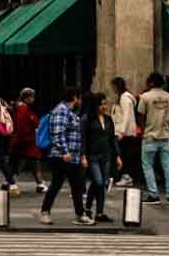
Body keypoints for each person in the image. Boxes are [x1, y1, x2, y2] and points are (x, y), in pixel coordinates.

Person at [37, 87, 92, 226]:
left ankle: (79, 214)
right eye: (78, 98)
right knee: (58, 184)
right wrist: (65, 151)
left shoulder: (68, 111)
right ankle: (45, 212)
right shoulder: (61, 110)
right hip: (62, 156)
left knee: (75, 185)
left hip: (71, 156)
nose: (79, 101)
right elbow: (58, 133)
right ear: (74, 97)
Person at [137, 72, 169, 206]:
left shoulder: (146, 97)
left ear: (151, 82)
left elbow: (141, 116)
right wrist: (168, 129)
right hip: (165, 136)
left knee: (148, 165)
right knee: (167, 166)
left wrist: (143, 131)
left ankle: (153, 194)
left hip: (150, 136)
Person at [82, 92, 119, 223]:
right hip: (93, 156)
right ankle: (87, 206)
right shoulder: (87, 119)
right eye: (102, 104)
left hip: (106, 155)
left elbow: (112, 139)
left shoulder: (108, 119)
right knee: (98, 181)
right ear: (96, 105)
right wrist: (83, 156)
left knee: (102, 183)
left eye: (105, 103)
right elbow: (83, 139)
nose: (105, 106)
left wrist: (118, 156)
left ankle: (99, 212)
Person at [8, 88, 44, 195]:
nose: (33, 99)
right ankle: (39, 183)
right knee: (29, 162)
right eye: (32, 97)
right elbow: (22, 125)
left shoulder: (20, 108)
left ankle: (10, 181)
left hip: (24, 141)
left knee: (21, 162)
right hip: (26, 141)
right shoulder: (23, 109)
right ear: (27, 97)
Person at [110, 77, 140, 188]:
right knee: (124, 155)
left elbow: (126, 116)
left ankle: (126, 177)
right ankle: (124, 176)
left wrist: (121, 132)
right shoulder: (122, 98)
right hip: (124, 132)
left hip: (125, 133)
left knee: (125, 156)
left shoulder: (124, 98)